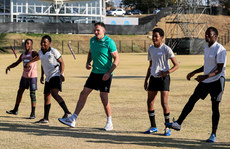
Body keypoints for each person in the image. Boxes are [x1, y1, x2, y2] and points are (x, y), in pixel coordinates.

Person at [165, 27, 226, 142]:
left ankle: (213, 134)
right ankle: (178, 123)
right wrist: (194, 72)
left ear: (215, 36)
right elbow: (206, 67)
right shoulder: (207, 48)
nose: (206, 36)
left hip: (217, 81)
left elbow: (219, 69)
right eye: (206, 34)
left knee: (215, 107)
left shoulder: (220, 49)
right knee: (192, 100)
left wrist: (205, 76)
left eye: (209, 34)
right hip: (206, 80)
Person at [58, 22, 120, 131]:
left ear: (103, 31)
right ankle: (73, 119)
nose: (95, 32)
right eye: (94, 30)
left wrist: (108, 73)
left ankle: (109, 122)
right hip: (94, 73)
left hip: (105, 74)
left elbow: (117, 59)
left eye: (98, 30)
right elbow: (90, 53)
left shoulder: (109, 42)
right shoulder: (92, 40)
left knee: (104, 98)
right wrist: (88, 62)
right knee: (83, 93)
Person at [28, 35, 71, 123]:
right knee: (46, 96)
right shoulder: (40, 52)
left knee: (54, 93)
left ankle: (67, 113)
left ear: (49, 43)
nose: (43, 43)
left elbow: (62, 63)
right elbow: (42, 63)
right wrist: (41, 76)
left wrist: (61, 74)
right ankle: (45, 118)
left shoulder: (54, 51)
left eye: (45, 42)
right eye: (42, 42)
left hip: (55, 74)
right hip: (48, 77)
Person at [144, 28, 179, 136]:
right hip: (153, 78)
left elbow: (176, 65)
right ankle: (153, 126)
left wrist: (166, 72)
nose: (154, 38)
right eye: (153, 36)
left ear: (161, 37)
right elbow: (150, 66)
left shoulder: (166, 49)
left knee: (164, 103)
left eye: (156, 36)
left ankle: (168, 128)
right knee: (149, 102)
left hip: (164, 79)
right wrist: (146, 79)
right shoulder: (151, 49)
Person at [6, 39, 38, 119]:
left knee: (32, 94)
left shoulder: (33, 53)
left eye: (28, 43)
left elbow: (39, 56)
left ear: (31, 45)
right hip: (24, 76)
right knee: (19, 92)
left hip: (32, 76)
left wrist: (30, 62)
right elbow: (17, 63)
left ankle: (33, 113)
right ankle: (15, 110)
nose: (26, 45)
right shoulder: (23, 55)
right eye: (25, 43)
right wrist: (9, 66)